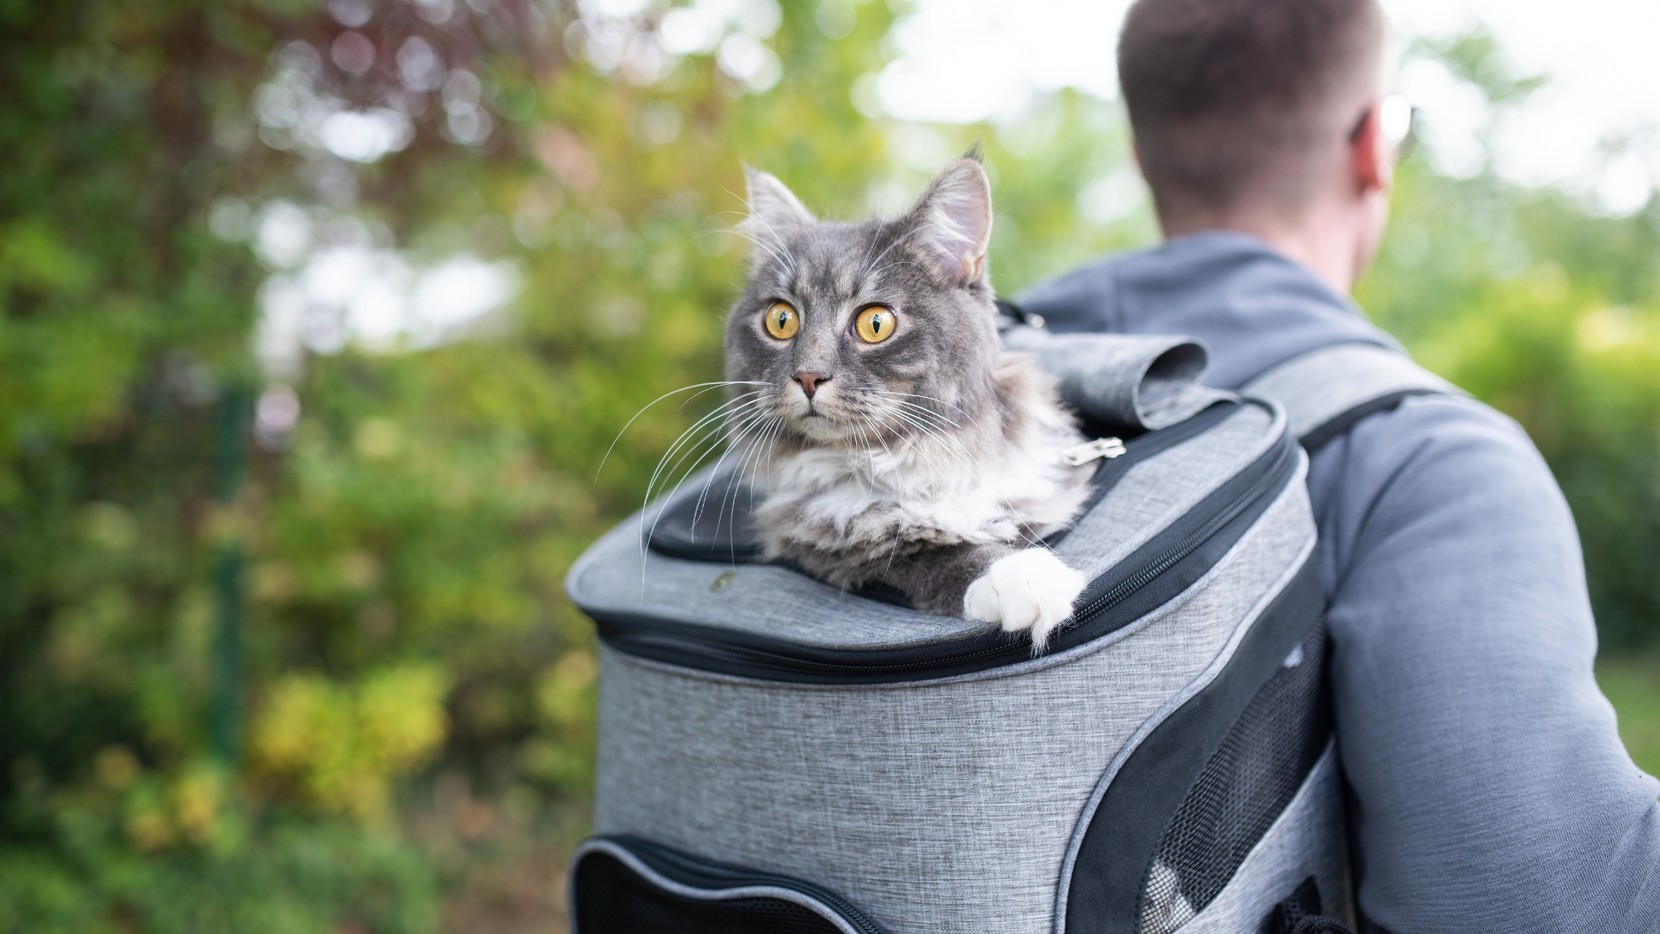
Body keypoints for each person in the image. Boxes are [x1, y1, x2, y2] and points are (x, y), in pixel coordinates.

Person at [1017, 0, 1660, 930]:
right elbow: (1536, 900)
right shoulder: (1425, 464)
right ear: (1372, 147)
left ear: (1141, 154)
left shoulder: (899, 401)